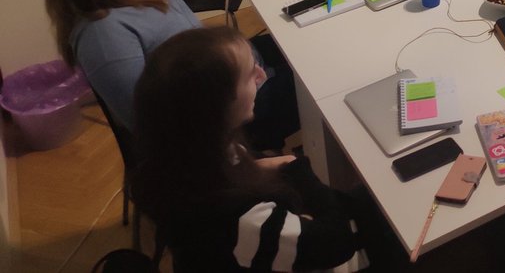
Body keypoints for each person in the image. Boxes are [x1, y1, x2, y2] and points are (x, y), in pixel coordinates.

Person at [131, 27, 403, 272]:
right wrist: (296, 166)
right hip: (337, 253)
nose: (262, 76)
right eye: (250, 75)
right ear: (217, 106)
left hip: (301, 236)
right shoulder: (234, 216)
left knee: (378, 196)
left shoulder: (190, 152)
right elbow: (334, 244)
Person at [33, 0, 298, 150]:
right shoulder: (103, 34)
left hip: (241, 70)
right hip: (234, 113)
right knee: (326, 77)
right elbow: (150, 124)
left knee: (311, 39)